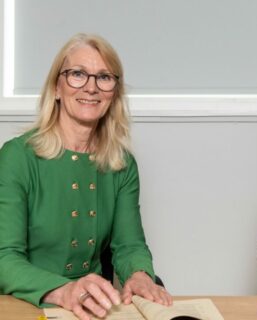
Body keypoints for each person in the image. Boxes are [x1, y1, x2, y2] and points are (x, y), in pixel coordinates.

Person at [0, 33, 172, 320]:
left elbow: (129, 245)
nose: (91, 87)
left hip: (92, 308)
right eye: (78, 74)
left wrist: (141, 275)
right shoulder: (17, 157)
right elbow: (3, 257)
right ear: (56, 87)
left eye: (104, 77)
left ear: (114, 92)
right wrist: (62, 290)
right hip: (25, 305)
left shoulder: (122, 164)